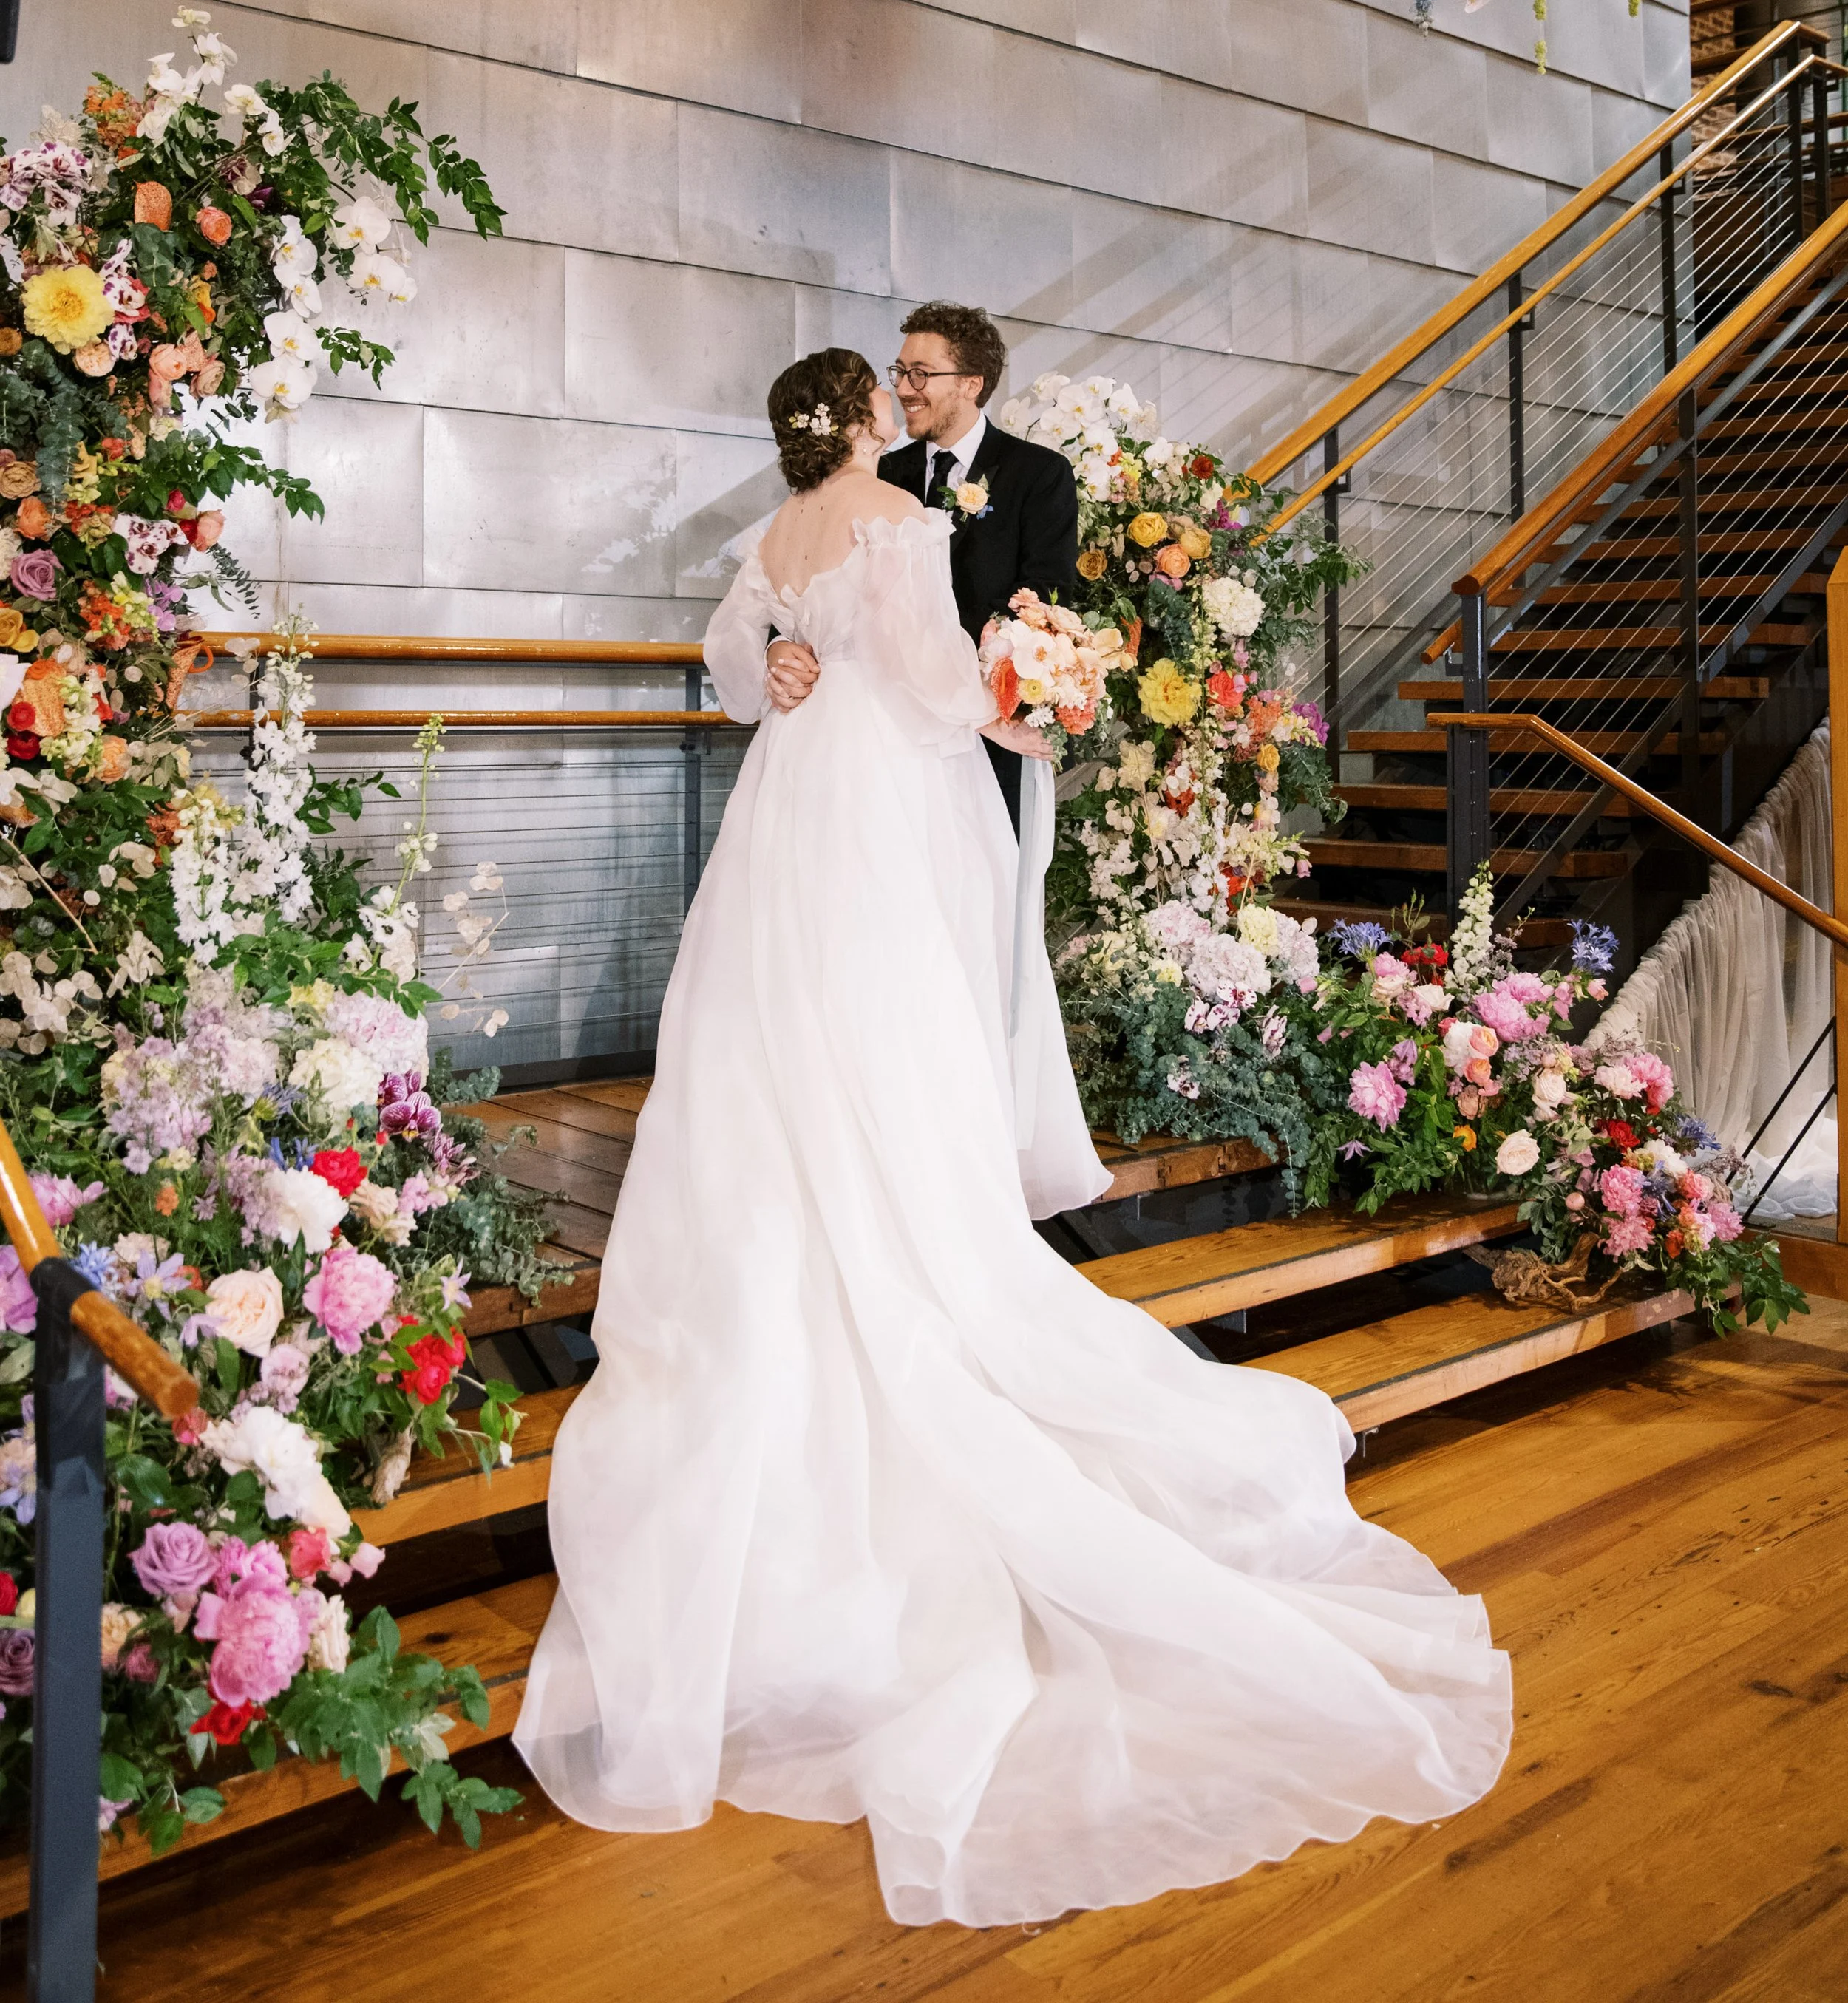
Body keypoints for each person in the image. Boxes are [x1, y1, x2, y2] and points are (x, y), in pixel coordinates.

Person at [515, 347, 1512, 1930]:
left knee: (777, 1028)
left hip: (788, 800)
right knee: (897, 1023)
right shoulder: (894, 520)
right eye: (880, 392)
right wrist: (1025, 700)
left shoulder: (762, 542)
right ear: (856, 421)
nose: (894, 409)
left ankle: (798, 1237)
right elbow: (929, 683)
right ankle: (918, 1222)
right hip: (891, 796)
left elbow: (732, 665)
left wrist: (780, 676)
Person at [764, 302, 1078, 832]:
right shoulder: (872, 473)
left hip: (987, 739)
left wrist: (979, 701)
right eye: (899, 372)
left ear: (971, 384)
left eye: (921, 374)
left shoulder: (1039, 474)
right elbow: (807, 580)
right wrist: (779, 648)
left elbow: (1046, 603)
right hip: (877, 739)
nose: (905, 388)